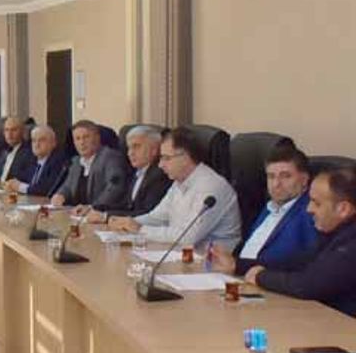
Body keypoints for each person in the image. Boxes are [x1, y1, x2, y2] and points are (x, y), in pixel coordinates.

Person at [243, 166, 356, 316]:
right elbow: (294, 263)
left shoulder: (350, 244)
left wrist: (261, 277)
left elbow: (308, 285)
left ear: (343, 209)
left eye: (316, 203)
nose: (309, 209)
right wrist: (238, 265)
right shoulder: (331, 234)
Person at [107, 126, 241, 249]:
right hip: (182, 254)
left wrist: (140, 229)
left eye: (166, 158)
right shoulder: (179, 181)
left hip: (212, 261)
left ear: (186, 157)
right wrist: (127, 222)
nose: (160, 165)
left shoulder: (211, 187)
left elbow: (188, 237)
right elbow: (157, 217)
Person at [211, 144, 319, 276]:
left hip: (268, 282)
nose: (276, 184)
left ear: (304, 180)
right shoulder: (269, 207)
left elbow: (296, 262)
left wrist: (238, 266)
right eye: (271, 176)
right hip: (239, 277)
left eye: (285, 176)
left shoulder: (310, 212)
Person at [83, 125, 170, 222]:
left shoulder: (159, 175)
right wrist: (93, 208)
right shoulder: (138, 172)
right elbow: (126, 205)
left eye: (136, 147)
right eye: (129, 148)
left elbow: (147, 213)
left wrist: (106, 217)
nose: (130, 153)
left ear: (154, 150)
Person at [51, 120, 131, 210]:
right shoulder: (76, 161)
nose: (82, 142)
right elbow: (67, 186)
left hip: (102, 213)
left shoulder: (110, 157)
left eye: (86, 137)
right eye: (77, 139)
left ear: (97, 138)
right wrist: (60, 195)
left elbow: (114, 189)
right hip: (77, 213)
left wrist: (92, 207)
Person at [5, 125, 68, 197]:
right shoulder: (31, 160)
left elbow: (46, 189)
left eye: (42, 140)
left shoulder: (58, 161)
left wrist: (20, 187)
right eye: (34, 140)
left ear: (53, 143)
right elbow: (20, 179)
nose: (37, 144)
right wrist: (11, 184)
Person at [0, 116, 35, 183]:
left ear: (22, 131)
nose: (9, 134)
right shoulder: (3, 151)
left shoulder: (29, 153)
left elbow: (24, 179)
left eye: (14, 130)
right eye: (6, 130)